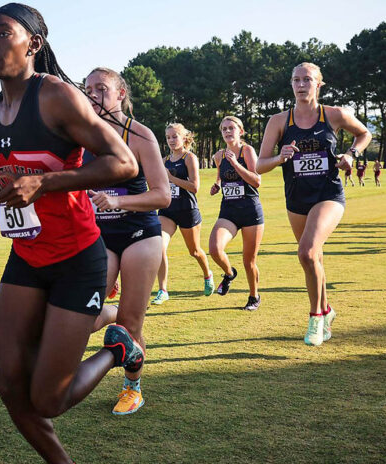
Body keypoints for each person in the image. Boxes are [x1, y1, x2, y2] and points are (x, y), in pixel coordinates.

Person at [0, 5, 142, 462]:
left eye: (2, 33)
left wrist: (46, 182)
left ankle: (118, 347)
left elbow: (124, 163)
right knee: (9, 383)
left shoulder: (55, 96)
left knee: (50, 400)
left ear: (32, 44)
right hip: (27, 259)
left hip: (78, 259)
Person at [256, 62, 371, 346]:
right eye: (296, 80)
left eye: (307, 79)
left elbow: (364, 134)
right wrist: (280, 158)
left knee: (306, 252)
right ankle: (328, 310)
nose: (301, 84)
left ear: (319, 84)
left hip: (328, 194)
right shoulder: (279, 121)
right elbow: (260, 165)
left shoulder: (333, 115)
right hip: (296, 199)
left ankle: (316, 318)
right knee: (314, 259)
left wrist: (352, 155)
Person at [84, 66, 170, 415]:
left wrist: (118, 201)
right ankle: (111, 312)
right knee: (81, 318)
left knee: (131, 326)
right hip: (100, 236)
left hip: (140, 234)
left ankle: (132, 387)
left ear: (121, 93)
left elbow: (163, 195)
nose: (92, 95)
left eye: (101, 88)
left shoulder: (139, 134)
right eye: (87, 89)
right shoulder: (82, 137)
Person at [153, 123, 214, 305]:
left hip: (187, 210)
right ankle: (163, 290)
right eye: (169, 137)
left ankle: (207, 275)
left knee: (194, 251)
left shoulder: (189, 158)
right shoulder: (163, 161)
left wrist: (171, 179)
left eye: (175, 136)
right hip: (167, 211)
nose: (172, 140)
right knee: (159, 247)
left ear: (184, 138)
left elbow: (195, 187)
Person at [209, 116, 264, 311]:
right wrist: (216, 185)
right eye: (224, 129)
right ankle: (230, 273)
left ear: (240, 131)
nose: (227, 131)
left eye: (231, 128)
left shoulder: (246, 151)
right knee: (215, 249)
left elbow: (256, 181)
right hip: (229, 211)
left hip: (250, 210)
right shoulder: (218, 156)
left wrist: (236, 165)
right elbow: (220, 177)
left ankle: (253, 296)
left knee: (249, 261)